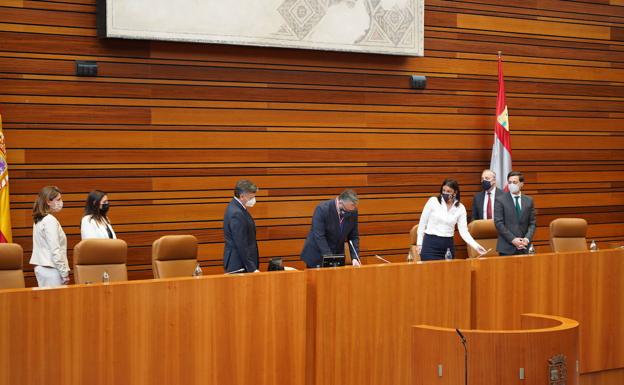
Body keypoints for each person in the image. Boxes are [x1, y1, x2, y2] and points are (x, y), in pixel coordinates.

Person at [417, 179, 487, 261]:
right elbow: (422, 224)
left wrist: (476, 246)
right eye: (444, 190)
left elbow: (464, 232)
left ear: (455, 193)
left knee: (448, 273)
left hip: (448, 246)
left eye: (449, 191)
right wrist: (419, 243)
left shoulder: (460, 208)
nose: (445, 193)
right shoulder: (433, 201)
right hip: (430, 245)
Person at [301, 189, 360, 268]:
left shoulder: (352, 211)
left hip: (337, 255)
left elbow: (353, 236)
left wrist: (355, 257)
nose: (349, 213)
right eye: (347, 210)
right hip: (317, 255)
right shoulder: (322, 209)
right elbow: (319, 236)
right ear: (340, 202)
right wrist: (330, 259)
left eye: (352, 210)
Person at [30, 186, 70, 287]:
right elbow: (55, 249)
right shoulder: (49, 220)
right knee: (56, 302)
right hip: (52, 269)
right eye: (58, 199)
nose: (61, 202)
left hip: (43, 268)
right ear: (48, 201)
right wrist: (64, 273)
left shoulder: (39, 219)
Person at [494, 171, 537, 255]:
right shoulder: (500, 200)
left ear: (521, 184)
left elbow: (532, 223)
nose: (511, 185)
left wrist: (526, 239)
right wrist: (513, 239)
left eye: (515, 182)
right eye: (509, 182)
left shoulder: (529, 200)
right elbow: (499, 223)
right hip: (507, 248)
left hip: (525, 247)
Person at [223, 179, 260, 273]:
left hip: (241, 264)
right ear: (242, 196)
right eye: (251, 197)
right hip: (239, 265)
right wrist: (252, 268)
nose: (253, 200)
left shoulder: (237, 207)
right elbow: (241, 243)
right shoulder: (236, 213)